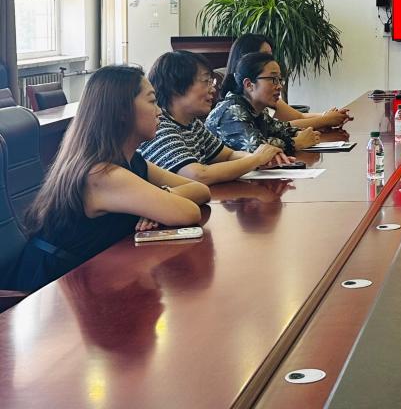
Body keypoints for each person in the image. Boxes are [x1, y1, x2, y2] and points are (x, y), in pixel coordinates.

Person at [10, 65, 210, 292]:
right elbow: (188, 212)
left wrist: (161, 198)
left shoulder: (134, 161)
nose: (160, 112)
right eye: (152, 101)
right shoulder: (101, 174)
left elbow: (201, 190)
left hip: (93, 275)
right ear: (122, 111)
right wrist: (159, 204)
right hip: (51, 288)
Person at [140, 50, 295, 185]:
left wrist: (260, 159)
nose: (213, 89)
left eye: (211, 81)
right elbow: (197, 175)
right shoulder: (159, 127)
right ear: (176, 87)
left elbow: (228, 155)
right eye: (206, 81)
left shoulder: (192, 124)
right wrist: (255, 160)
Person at [221, 34, 351, 130]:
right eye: (265, 55)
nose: (270, 60)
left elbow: (297, 118)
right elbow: (281, 129)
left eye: (271, 55)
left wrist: (327, 116)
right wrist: (325, 120)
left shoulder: (263, 97)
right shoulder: (234, 106)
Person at [206, 52, 320, 153]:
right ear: (249, 84)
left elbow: (281, 129)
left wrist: (300, 133)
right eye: (273, 79)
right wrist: (296, 143)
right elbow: (256, 149)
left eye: (280, 80)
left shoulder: (257, 109)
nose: (279, 86)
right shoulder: (231, 112)